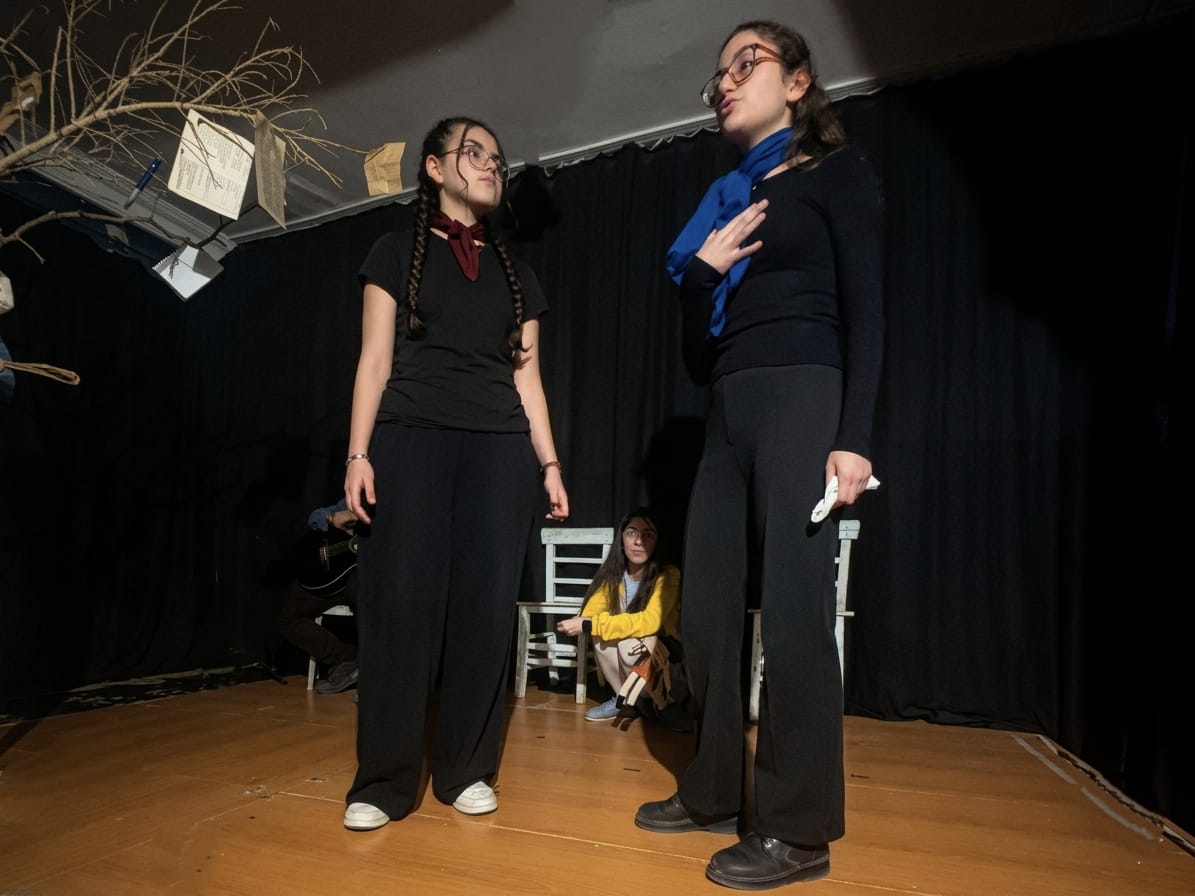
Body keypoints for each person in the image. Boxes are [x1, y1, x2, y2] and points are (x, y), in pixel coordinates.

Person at [633, 21, 885, 890]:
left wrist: (853, 437)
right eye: (718, 75)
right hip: (727, 410)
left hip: (805, 395)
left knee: (793, 614)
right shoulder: (725, 200)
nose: (726, 83)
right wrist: (700, 279)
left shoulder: (834, 174)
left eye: (746, 64)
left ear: (799, 81)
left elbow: (869, 310)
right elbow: (697, 358)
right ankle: (711, 791)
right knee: (704, 614)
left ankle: (797, 830)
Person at [341, 116, 569, 832]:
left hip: (499, 450)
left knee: (484, 609)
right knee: (401, 606)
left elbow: (528, 383)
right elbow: (374, 361)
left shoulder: (519, 276)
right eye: (475, 153)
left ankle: (467, 769)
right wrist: (357, 453)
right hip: (410, 440)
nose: (492, 165)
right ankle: (383, 782)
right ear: (435, 168)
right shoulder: (392, 252)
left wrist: (550, 464)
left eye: (497, 158)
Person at [555, 507, 683, 724]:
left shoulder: (668, 575)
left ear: (658, 541)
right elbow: (590, 613)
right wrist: (590, 623)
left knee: (624, 644)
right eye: (632, 533)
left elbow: (650, 622)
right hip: (632, 660)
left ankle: (664, 705)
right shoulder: (613, 576)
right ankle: (624, 702)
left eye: (648, 534)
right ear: (621, 539)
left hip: (665, 658)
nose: (638, 541)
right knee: (600, 634)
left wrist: (591, 623)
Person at [278, 499, 360, 695]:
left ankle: (373, 664)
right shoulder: (359, 497)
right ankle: (348, 658)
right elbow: (315, 517)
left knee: (362, 593)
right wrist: (333, 517)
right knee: (289, 620)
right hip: (332, 578)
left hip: (361, 581)